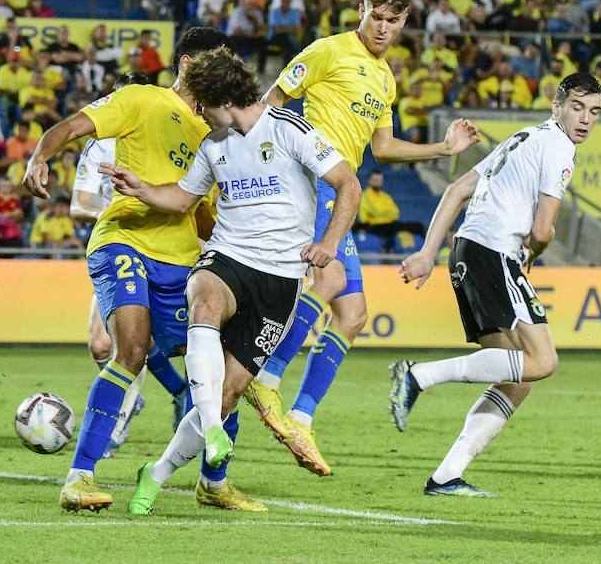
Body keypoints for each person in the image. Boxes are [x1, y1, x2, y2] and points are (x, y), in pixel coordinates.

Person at [245, 0, 481, 476]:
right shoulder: (327, 51)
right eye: (376, 16)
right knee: (329, 280)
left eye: (393, 21)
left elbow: (383, 147)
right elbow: (270, 104)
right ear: (361, 9)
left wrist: (442, 148)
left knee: (352, 315)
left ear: (404, 23)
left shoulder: (385, 78)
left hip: (343, 193)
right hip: (310, 182)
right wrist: (257, 167)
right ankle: (266, 373)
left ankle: (302, 417)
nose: (382, 28)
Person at [108, 47, 360, 515]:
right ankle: (213, 426)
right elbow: (183, 199)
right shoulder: (213, 145)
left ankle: (157, 472)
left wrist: (328, 242)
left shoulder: (288, 129)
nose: (197, 112)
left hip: (280, 279)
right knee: (203, 305)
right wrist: (141, 188)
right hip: (228, 257)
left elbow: (349, 183)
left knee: (226, 392)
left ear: (223, 96)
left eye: (201, 102)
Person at [24, 26, 261, 513]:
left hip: (181, 262)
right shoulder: (141, 100)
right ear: (191, 64)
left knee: (218, 372)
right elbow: (71, 127)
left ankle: (214, 483)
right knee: (129, 350)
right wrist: (40, 157)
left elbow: (194, 209)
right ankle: (79, 477)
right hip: (124, 240)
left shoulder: (216, 134)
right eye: (216, 63)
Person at [391, 73, 601, 496]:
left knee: (517, 377)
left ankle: (446, 476)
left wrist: (426, 254)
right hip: (493, 253)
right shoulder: (559, 147)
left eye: (594, 111)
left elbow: (455, 190)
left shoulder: (523, 138)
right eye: (577, 107)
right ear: (557, 106)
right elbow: (542, 230)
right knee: (543, 362)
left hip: (467, 254)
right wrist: (537, 249)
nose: (584, 119)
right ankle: (419, 375)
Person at [70, 72, 189, 453]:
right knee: (101, 345)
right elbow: (79, 205)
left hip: (167, 250)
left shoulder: (169, 136)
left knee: (134, 342)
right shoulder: (99, 146)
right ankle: (173, 389)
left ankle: (116, 422)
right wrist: (125, 206)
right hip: (121, 244)